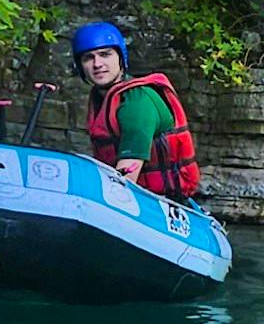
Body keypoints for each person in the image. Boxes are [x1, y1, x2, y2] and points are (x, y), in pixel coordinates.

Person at [72, 21, 201, 199]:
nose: (97, 64)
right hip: (139, 196)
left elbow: (126, 177)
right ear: (80, 65)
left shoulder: (137, 102)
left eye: (105, 55)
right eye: (88, 58)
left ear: (120, 57)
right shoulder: (100, 99)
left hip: (160, 201)